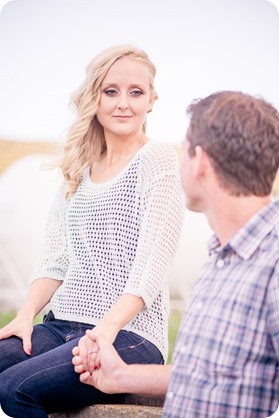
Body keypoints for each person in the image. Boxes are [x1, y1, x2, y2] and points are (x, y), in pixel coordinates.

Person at [0, 44, 185, 417]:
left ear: (151, 100)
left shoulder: (158, 159)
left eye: (136, 92)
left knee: (14, 388)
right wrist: (25, 316)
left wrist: (105, 330)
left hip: (130, 335)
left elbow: (152, 267)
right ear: (94, 98)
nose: (123, 103)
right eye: (110, 91)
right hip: (61, 325)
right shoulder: (79, 169)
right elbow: (55, 259)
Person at [73, 91, 279, 418]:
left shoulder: (274, 260)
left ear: (200, 161)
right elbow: (203, 374)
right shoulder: (223, 256)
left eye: (183, 151)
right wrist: (120, 376)